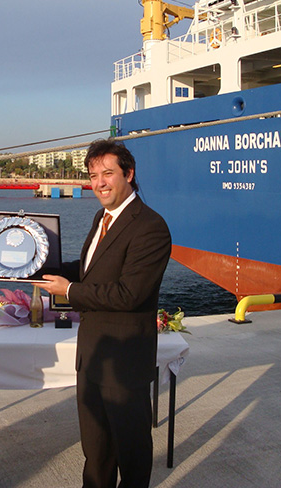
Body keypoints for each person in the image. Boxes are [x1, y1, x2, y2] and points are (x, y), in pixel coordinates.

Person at [39, 139, 171, 488]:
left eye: (108, 174)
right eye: (93, 176)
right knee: (95, 454)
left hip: (125, 365)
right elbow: (90, 270)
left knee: (131, 454)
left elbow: (130, 294)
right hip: (92, 357)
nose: (99, 183)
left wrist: (68, 291)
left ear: (129, 174)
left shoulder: (150, 226)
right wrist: (38, 266)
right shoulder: (102, 217)